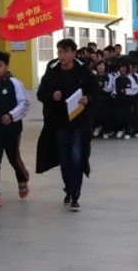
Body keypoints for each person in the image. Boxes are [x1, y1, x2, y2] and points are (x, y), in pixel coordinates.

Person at [36, 39, 97, 211]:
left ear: (73, 53)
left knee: (77, 156)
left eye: (65, 52)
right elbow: (41, 94)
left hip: (79, 122)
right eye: (59, 52)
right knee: (64, 158)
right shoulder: (52, 71)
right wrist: (52, 96)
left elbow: (95, 91)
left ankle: (75, 192)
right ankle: (68, 188)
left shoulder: (83, 71)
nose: (62, 56)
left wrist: (87, 98)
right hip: (59, 122)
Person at [0, 51, 32, 208]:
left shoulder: (15, 83)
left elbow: (25, 103)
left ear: (7, 66)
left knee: (13, 158)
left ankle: (23, 178)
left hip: (12, 129)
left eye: (0, 66)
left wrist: (11, 115)